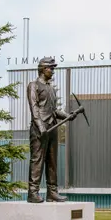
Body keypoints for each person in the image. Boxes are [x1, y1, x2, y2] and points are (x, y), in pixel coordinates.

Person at [26, 56, 78, 203]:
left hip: (53, 126)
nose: (53, 71)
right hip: (39, 129)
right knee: (37, 160)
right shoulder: (33, 86)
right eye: (51, 68)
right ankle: (33, 192)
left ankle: (52, 192)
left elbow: (54, 110)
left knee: (52, 161)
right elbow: (34, 108)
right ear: (43, 69)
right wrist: (40, 126)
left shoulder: (50, 88)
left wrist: (68, 116)